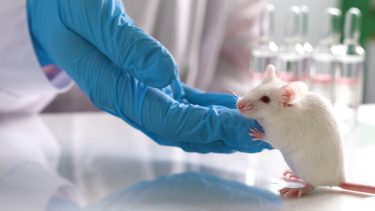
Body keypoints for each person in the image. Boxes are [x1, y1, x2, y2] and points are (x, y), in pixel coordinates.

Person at [0, 0, 272, 153]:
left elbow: (236, 54)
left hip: (166, 174)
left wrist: (219, 122)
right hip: (30, 157)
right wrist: (28, 24)